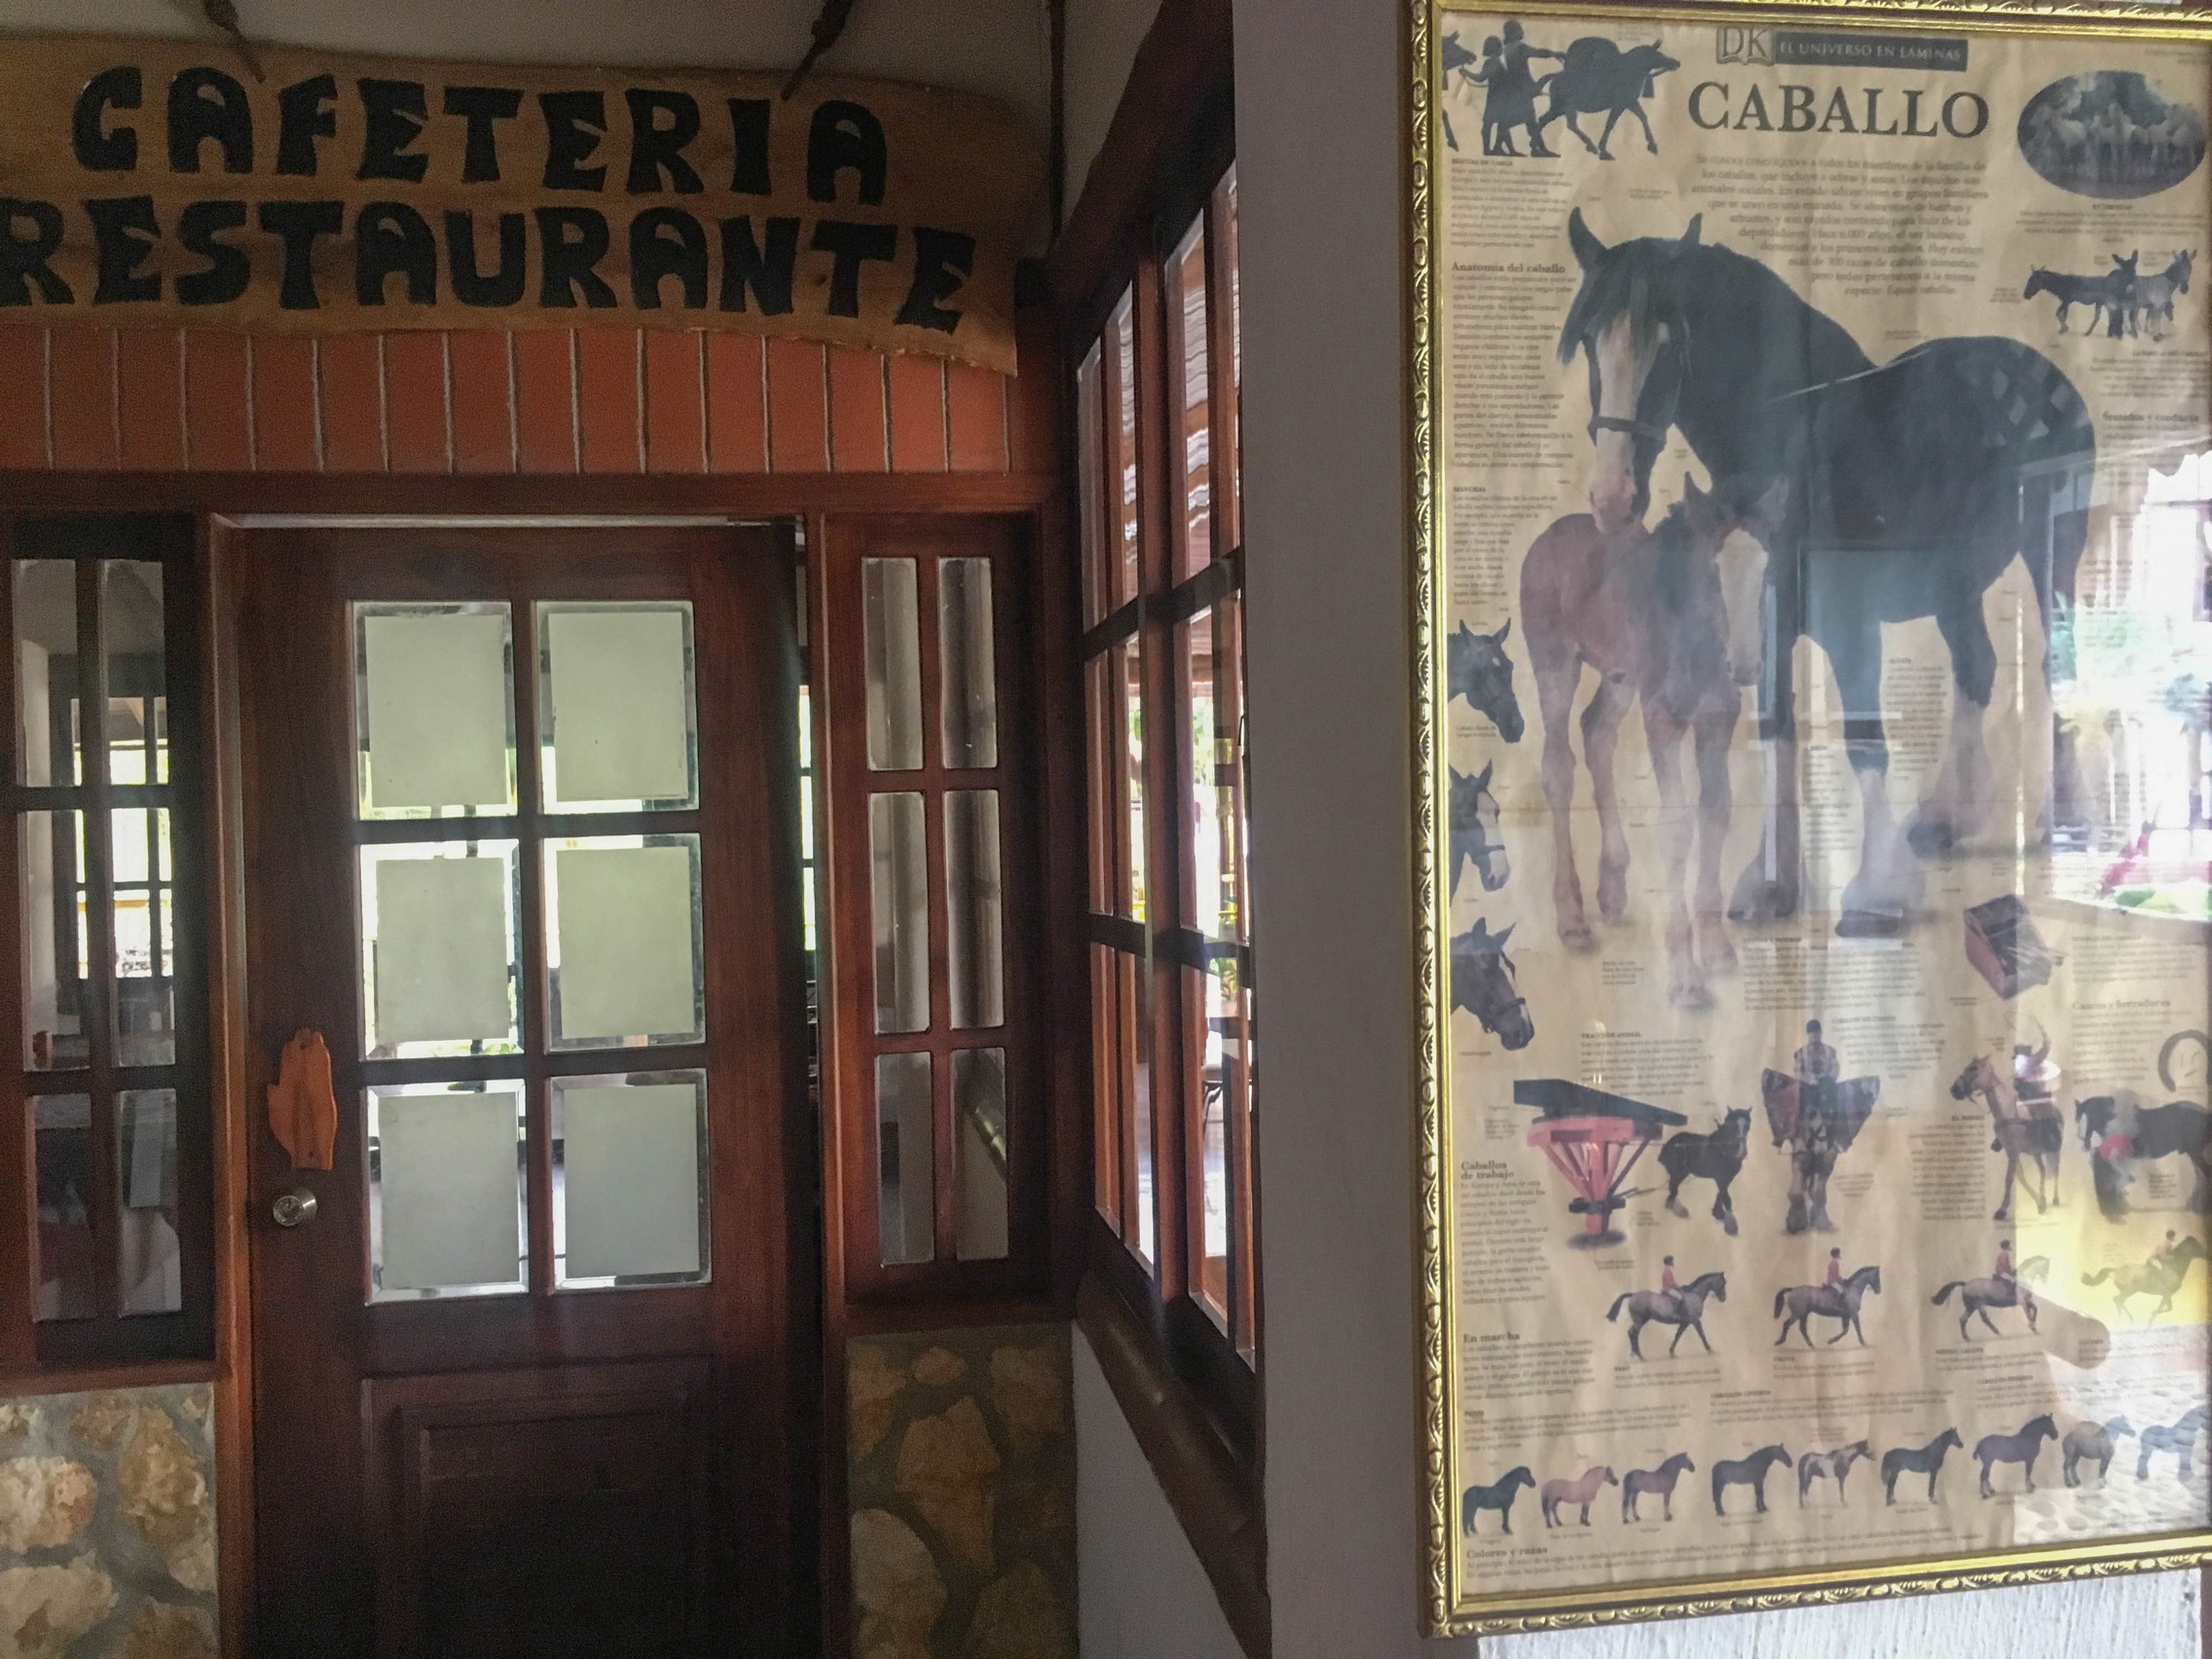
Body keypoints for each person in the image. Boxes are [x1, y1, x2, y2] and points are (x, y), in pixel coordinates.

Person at [1489, 19, 1562, 158]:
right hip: (1522, 91)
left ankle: (1537, 150)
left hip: (1515, 90)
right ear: (1512, 33)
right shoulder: (1519, 48)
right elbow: (1538, 52)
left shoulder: (1506, 49)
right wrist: (1555, 54)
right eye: (1519, 29)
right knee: (1518, 121)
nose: (1522, 32)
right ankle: (1538, 150)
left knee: (1527, 121)